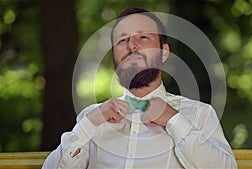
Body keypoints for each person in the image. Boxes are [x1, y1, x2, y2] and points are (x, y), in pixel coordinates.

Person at [42, 7, 237, 168]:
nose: (131, 45)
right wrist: (89, 123)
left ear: (163, 52)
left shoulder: (198, 114)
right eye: (122, 40)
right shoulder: (92, 119)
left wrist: (174, 120)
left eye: (142, 37)